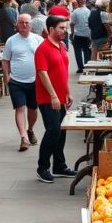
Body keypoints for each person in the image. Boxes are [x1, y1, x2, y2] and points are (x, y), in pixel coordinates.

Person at [34, 16, 74, 183]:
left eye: (65, 28)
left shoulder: (62, 46)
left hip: (61, 97)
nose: (65, 31)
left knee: (61, 131)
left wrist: (68, 92)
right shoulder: (42, 49)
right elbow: (42, 73)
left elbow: (64, 70)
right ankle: (42, 167)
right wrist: (54, 96)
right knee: (53, 131)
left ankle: (59, 165)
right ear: (51, 29)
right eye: (61, 28)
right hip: (48, 98)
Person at [2, 14, 43, 152]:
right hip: (16, 81)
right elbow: (5, 60)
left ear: (30, 24)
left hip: (35, 80)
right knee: (20, 108)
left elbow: (45, 57)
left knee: (33, 109)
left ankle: (30, 130)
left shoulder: (38, 39)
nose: (24, 25)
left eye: (26, 22)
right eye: (21, 22)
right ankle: (24, 138)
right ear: (17, 25)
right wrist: (7, 76)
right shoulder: (11, 41)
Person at [69, 0, 92, 73]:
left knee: (77, 52)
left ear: (78, 2)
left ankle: (80, 68)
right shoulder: (89, 11)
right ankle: (86, 67)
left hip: (78, 35)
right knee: (86, 52)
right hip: (87, 35)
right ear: (84, 2)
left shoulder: (75, 12)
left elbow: (72, 24)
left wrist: (72, 34)